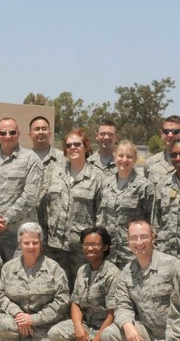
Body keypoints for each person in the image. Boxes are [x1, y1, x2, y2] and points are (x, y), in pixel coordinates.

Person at [101, 218, 180, 341]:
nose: (139, 242)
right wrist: (128, 325)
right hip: (147, 334)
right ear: (128, 241)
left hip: (172, 338)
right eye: (134, 238)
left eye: (144, 237)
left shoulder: (173, 266)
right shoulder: (127, 272)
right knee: (110, 335)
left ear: (153, 237)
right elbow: (122, 304)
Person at [48, 227, 121, 341]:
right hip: (89, 327)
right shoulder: (83, 270)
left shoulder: (112, 274)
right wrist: (78, 326)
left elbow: (113, 315)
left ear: (106, 247)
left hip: (107, 332)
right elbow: (75, 302)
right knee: (55, 333)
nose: (90, 248)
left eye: (95, 245)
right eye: (86, 244)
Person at [0, 222, 68, 341]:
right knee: (1, 325)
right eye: (26, 243)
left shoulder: (54, 269)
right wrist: (18, 315)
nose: (31, 246)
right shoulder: (9, 267)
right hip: (18, 321)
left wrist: (33, 319)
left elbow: (62, 302)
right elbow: (0, 295)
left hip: (46, 324)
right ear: (19, 243)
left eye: (35, 242)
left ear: (41, 243)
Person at [0, 117, 43, 261]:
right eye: (3, 133)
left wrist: (5, 220)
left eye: (12, 132)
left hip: (20, 237)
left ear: (18, 134)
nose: (7, 136)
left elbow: (31, 197)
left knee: (18, 279)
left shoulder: (31, 160)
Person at [43, 128, 103, 286]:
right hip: (54, 246)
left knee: (82, 290)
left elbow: (101, 215)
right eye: (68, 145)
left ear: (86, 147)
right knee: (56, 288)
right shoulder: (54, 174)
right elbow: (43, 207)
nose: (72, 148)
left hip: (82, 248)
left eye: (77, 144)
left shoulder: (98, 178)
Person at [97, 140, 155, 268]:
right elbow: (100, 216)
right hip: (108, 252)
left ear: (135, 159)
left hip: (133, 252)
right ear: (114, 156)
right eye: (121, 155)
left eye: (129, 156)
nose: (124, 159)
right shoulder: (105, 183)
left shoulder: (145, 186)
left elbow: (152, 221)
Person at [29, 116, 65, 242]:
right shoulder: (24, 159)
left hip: (56, 229)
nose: (41, 132)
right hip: (30, 226)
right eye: (37, 129)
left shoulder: (64, 159)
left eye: (44, 129)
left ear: (50, 133)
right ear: (30, 134)